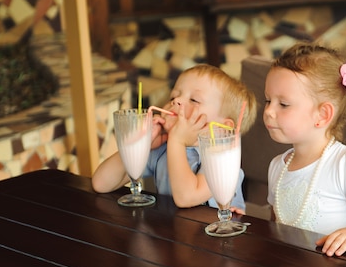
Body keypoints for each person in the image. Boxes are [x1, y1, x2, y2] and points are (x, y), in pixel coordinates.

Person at [264, 42, 346, 257]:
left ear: (322, 115)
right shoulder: (277, 166)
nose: (269, 111)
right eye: (268, 100)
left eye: (283, 104)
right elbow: (277, 228)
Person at [92, 64, 257, 212]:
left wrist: (177, 140)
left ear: (222, 128)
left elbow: (186, 197)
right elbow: (101, 183)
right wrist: (141, 145)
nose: (176, 100)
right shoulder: (163, 148)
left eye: (194, 100)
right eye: (173, 97)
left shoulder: (222, 158)